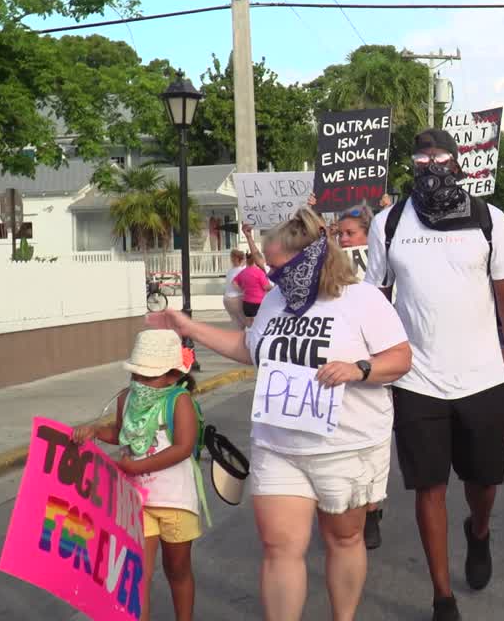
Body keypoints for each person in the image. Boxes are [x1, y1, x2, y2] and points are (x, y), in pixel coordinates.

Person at [149, 207, 413, 621]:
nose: (271, 275)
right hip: (279, 445)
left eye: (277, 265)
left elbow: (400, 359)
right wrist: (189, 328)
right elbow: (249, 349)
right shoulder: (275, 300)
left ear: (308, 258)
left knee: (344, 539)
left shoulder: (360, 299)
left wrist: (358, 369)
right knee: (278, 546)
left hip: (345, 446)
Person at [363, 128, 504, 621]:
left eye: (440, 154)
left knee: (483, 482)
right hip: (416, 380)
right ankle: (442, 596)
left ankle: (478, 531)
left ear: (459, 163)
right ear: (411, 164)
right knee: (428, 486)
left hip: (483, 377)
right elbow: (377, 299)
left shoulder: (488, 219)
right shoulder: (389, 222)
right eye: (422, 154)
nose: (432, 161)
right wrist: (373, 368)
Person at [73, 330, 204, 621]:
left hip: (176, 501)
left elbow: (183, 447)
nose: (140, 382)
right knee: (136, 575)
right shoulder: (126, 398)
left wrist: (137, 467)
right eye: (137, 375)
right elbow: (122, 435)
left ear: (171, 375)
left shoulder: (179, 401)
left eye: (149, 376)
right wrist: (95, 431)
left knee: (177, 569)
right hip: (136, 502)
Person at [334, 203, 386, 549]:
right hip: (340, 367)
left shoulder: (382, 272)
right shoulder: (330, 270)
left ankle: (371, 511)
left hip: (376, 366)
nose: (343, 239)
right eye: (339, 234)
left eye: (350, 233)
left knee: (373, 440)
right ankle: (345, 506)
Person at [233, 249, 272, 327]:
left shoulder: (243, 272)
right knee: (259, 324)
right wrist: (274, 288)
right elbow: (266, 287)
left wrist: (242, 290)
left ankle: (249, 338)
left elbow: (234, 282)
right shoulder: (259, 273)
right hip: (258, 303)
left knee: (249, 325)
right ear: (255, 261)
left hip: (246, 303)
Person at [223, 248, 247, 329]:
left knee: (236, 322)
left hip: (227, 299)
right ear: (242, 259)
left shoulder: (230, 271)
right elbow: (238, 286)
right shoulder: (242, 270)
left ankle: (235, 338)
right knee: (246, 322)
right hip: (236, 299)